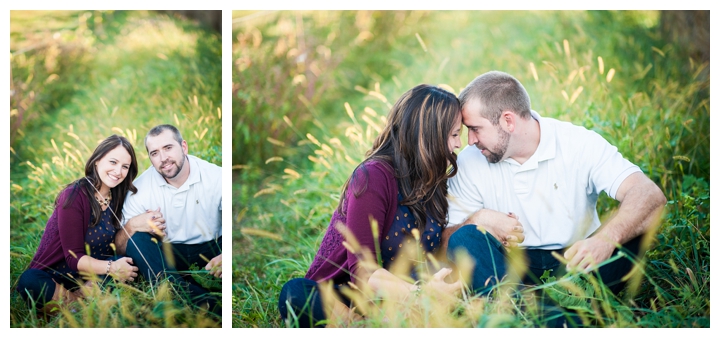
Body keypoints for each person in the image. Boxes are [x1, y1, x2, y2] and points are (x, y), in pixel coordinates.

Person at [443, 71, 667, 302]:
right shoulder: (470, 160)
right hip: (510, 269)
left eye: (475, 129)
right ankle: (557, 317)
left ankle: (530, 316)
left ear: (508, 121)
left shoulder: (578, 143)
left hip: (579, 263)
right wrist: (477, 219)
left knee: (633, 231)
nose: (469, 141)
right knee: (464, 239)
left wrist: (605, 240)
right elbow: (445, 243)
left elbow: (649, 194)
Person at [278, 84, 465, 328]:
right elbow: (364, 273)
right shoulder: (373, 177)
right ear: (427, 134)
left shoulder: (433, 179)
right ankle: (361, 326)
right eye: (453, 134)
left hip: (403, 297)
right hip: (351, 295)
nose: (459, 143)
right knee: (295, 293)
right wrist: (421, 295)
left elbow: (432, 254)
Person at [16, 135, 140, 314]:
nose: (118, 171)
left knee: (129, 265)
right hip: (57, 276)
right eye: (113, 162)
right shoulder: (74, 196)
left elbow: (115, 250)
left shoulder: (118, 198)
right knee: (30, 280)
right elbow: (73, 259)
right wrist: (112, 268)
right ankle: (77, 306)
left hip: (93, 275)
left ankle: (70, 309)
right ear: (97, 161)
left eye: (125, 166)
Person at [115, 124, 222, 318]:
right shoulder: (139, 190)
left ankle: (182, 294)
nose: (163, 158)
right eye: (155, 153)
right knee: (137, 242)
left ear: (184, 147)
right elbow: (120, 249)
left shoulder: (216, 177)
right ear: (150, 158)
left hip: (212, 249)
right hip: (169, 254)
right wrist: (132, 226)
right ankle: (186, 295)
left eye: (168, 148)